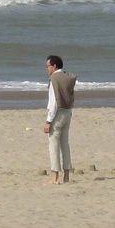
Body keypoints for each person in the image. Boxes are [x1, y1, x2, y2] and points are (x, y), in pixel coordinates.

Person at [44, 54, 75, 185]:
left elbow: (53, 102)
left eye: (48, 66)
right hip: (68, 111)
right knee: (65, 144)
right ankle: (67, 175)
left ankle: (55, 177)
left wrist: (48, 121)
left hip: (58, 113)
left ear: (54, 66)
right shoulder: (68, 77)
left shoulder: (54, 79)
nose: (47, 69)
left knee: (54, 145)